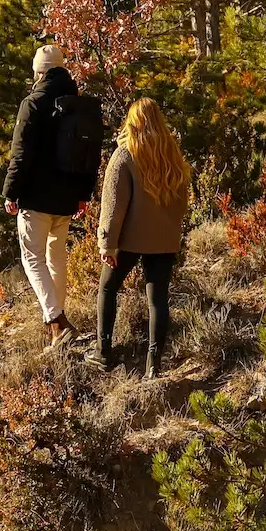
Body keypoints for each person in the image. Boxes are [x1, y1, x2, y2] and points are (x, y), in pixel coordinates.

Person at [2, 45, 100, 343]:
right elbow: (91, 156)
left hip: (36, 198)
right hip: (68, 198)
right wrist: (84, 194)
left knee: (32, 257)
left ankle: (56, 321)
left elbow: (21, 155)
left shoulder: (32, 104)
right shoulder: (78, 104)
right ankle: (59, 325)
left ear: (39, 71)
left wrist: (10, 192)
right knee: (56, 257)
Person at [95, 98, 190, 376]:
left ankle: (103, 352)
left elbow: (113, 205)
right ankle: (153, 366)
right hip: (163, 240)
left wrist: (107, 243)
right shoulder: (172, 156)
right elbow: (181, 201)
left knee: (108, 288)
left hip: (129, 240)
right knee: (157, 299)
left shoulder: (125, 154)